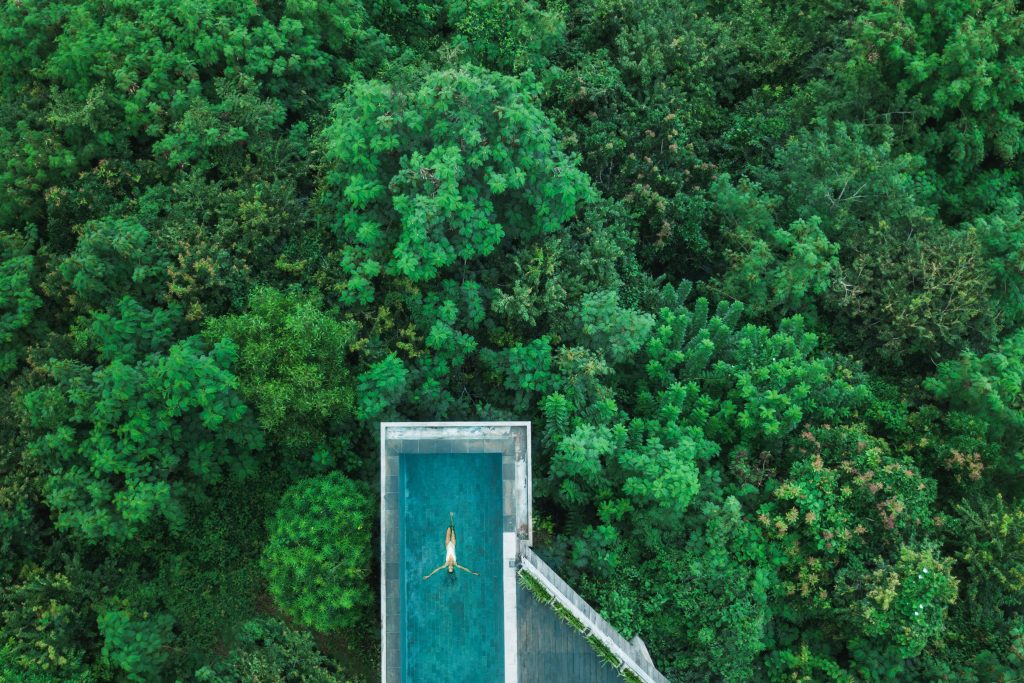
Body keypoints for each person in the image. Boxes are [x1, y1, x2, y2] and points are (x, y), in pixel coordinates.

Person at [423, 512, 479, 579]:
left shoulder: (445, 564)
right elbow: (464, 568)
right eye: (451, 568)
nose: (450, 567)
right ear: (453, 568)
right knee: (452, 529)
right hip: (453, 543)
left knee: (448, 529)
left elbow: (437, 569)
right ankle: (451, 517)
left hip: (447, 544)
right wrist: (473, 573)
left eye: (449, 568)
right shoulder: (456, 564)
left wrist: (429, 575)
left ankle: (450, 518)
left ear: (448, 568)